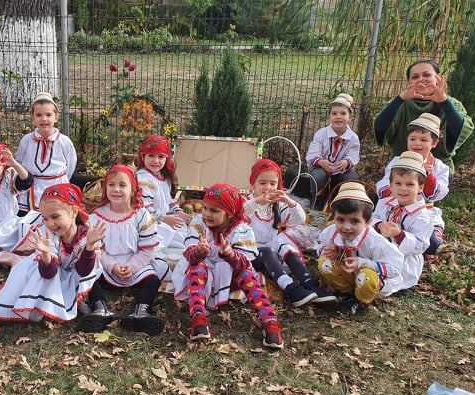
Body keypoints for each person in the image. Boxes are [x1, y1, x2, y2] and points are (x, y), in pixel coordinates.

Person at [171, 183, 284, 348]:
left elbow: (244, 262)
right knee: (196, 268)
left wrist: (230, 254)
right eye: (205, 208)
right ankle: (198, 316)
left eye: (214, 211)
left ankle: (269, 321)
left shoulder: (242, 229)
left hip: (230, 275)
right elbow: (189, 255)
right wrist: (199, 251)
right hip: (204, 274)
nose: (207, 214)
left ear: (230, 214)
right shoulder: (199, 223)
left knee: (247, 274)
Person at [0, 184, 105, 323]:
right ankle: (38, 303)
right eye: (45, 218)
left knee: (86, 273)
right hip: (48, 270)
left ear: (74, 212)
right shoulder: (46, 235)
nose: (51, 223)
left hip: (75, 271)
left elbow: (83, 271)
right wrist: (45, 255)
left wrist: (89, 247)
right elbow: (48, 274)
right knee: (41, 272)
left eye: (55, 217)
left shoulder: (87, 235)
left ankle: (76, 299)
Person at [80, 164, 165, 336]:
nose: (116, 189)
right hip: (106, 262)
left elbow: (146, 249)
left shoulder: (142, 216)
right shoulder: (97, 216)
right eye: (111, 185)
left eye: (122, 185)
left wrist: (132, 267)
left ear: (133, 190)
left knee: (153, 280)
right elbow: (97, 249)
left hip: (135, 260)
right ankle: (100, 308)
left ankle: (142, 310)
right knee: (89, 275)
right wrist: (112, 266)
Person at [245, 159, 335, 308]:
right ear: (253, 183)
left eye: (273, 184)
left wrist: (289, 201)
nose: (268, 187)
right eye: (262, 183)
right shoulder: (247, 202)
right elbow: (238, 215)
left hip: (272, 253)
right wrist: (258, 200)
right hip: (250, 253)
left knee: (282, 240)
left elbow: (298, 220)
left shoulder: (276, 205)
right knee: (267, 250)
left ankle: (309, 283)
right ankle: (291, 288)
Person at [317, 182, 404, 315]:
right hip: (347, 274)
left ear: (367, 222)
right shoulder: (331, 232)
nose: (346, 227)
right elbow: (320, 248)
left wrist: (363, 262)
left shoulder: (374, 241)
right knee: (325, 262)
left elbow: (395, 268)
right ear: (334, 218)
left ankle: (361, 299)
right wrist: (331, 251)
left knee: (366, 277)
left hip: (368, 278)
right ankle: (345, 293)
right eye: (340, 220)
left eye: (355, 221)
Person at [373, 59, 474, 173]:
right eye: (415, 77)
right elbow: (380, 129)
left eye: (427, 75)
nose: (421, 79)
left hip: (438, 170)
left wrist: (444, 102)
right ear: (409, 82)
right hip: (401, 166)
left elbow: (460, 130)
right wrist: (400, 99)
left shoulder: (452, 104)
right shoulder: (399, 103)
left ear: (438, 78)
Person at [376, 113, 450, 256]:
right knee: (382, 230)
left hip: (422, 213)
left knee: (432, 245)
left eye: (423, 140)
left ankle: (425, 239)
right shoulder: (397, 161)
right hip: (394, 207)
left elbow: (436, 194)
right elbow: (384, 184)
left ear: (434, 143)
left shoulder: (440, 167)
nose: (417, 143)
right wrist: (395, 192)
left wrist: (429, 175)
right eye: (412, 139)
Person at [372, 152, 433, 294]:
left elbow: (420, 245)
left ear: (420, 187)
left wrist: (399, 234)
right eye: (398, 184)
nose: (403, 189)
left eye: (410, 184)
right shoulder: (384, 203)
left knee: (391, 276)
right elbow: (372, 218)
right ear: (390, 186)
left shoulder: (422, 215)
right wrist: (379, 224)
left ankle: (381, 284)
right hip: (379, 249)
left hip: (404, 259)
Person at [135, 134, 189, 283]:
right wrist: (164, 218)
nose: (156, 161)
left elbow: (168, 201)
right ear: (143, 156)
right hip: (148, 224)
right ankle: (162, 267)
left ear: (167, 159)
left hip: (164, 222)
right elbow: (143, 207)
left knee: (184, 236)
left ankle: (182, 261)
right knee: (157, 245)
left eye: (160, 156)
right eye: (151, 156)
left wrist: (177, 211)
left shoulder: (163, 177)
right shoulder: (144, 178)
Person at [16, 92, 77, 211]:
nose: (44, 119)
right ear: (33, 117)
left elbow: (70, 166)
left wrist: (60, 179)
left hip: (57, 187)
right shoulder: (26, 140)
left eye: (48, 115)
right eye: (38, 115)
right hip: (32, 189)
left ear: (56, 117)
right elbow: (20, 162)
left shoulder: (64, 141)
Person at [305, 92, 360, 208]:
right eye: (334, 113)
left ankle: (339, 201)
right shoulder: (321, 134)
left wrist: (347, 162)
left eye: (343, 113)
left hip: (340, 170)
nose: (338, 116)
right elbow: (313, 152)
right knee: (318, 176)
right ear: (329, 116)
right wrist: (320, 162)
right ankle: (316, 199)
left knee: (352, 177)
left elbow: (354, 154)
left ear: (350, 118)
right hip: (321, 168)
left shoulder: (353, 138)